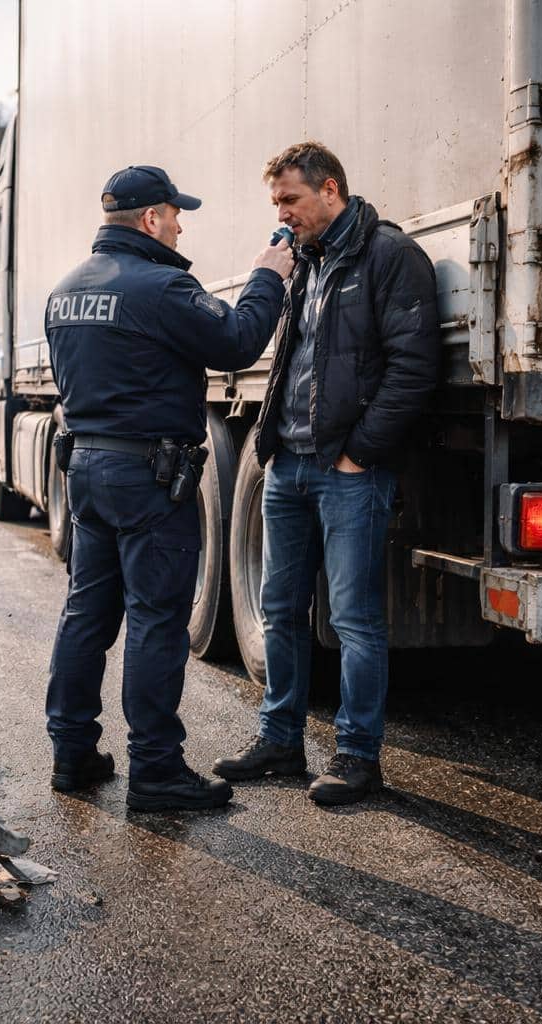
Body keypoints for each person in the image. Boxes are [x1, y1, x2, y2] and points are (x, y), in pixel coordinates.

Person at [45, 165, 294, 812]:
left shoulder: (66, 289)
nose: (181, 224)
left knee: (86, 616)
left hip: (89, 472)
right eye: (175, 213)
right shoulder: (160, 287)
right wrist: (269, 274)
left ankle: (72, 755)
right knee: (157, 621)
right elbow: (238, 342)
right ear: (151, 219)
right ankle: (155, 773)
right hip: (148, 479)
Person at [214, 141, 439, 805]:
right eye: (276, 202)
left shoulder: (389, 258)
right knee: (281, 612)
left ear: (331, 190)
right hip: (288, 467)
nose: (282, 215)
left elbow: (413, 368)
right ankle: (280, 740)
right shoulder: (304, 262)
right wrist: (271, 446)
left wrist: (360, 452)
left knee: (354, 619)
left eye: (291, 200)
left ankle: (357, 756)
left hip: (349, 473)